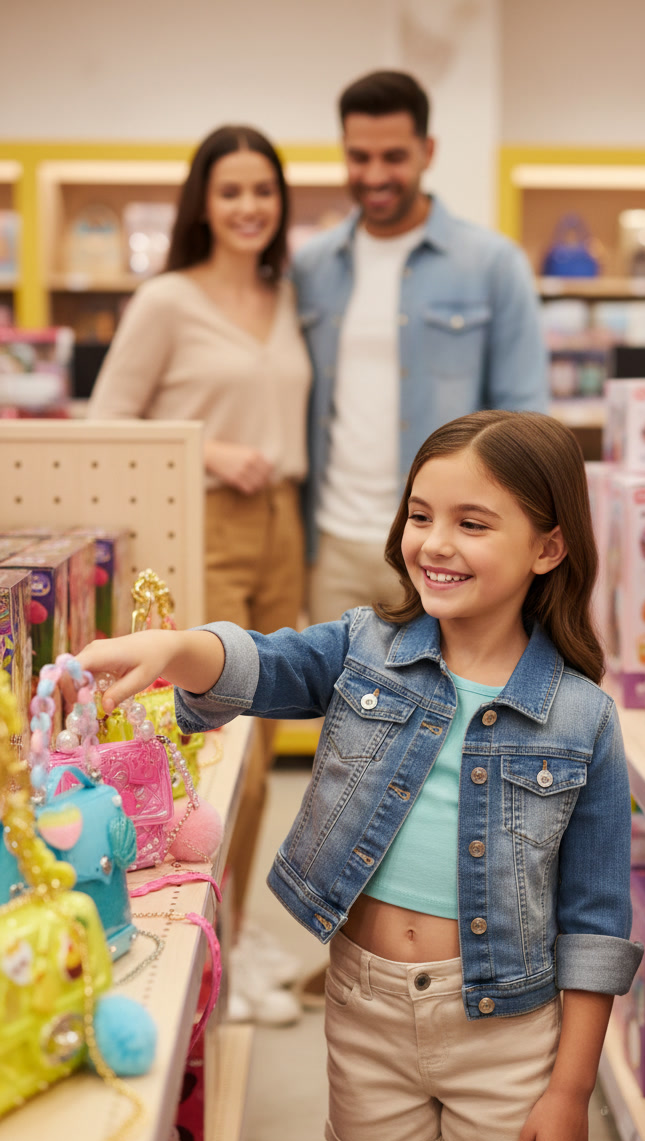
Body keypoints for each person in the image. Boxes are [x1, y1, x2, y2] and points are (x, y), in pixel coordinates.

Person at [73, 409, 642, 1141]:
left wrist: (567, 1091)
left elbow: (596, 921)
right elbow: (266, 664)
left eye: (471, 523)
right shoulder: (366, 649)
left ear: (549, 547)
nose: (434, 543)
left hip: (508, 1033)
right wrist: (175, 644)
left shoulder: (583, 717)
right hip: (367, 1014)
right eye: (420, 515)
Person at [87, 127, 311, 1013]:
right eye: (231, 192)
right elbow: (108, 420)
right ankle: (211, 944)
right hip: (203, 519)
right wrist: (211, 451)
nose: (250, 207)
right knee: (225, 743)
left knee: (275, 727)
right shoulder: (168, 300)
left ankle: (243, 937)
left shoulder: (285, 295)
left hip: (282, 523)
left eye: (264, 190)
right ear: (202, 203)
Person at [292, 69, 549, 626]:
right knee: (332, 709)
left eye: (394, 156)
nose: (375, 174)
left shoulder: (492, 264)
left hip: (446, 550)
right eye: (359, 157)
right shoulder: (311, 267)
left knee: (442, 709)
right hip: (330, 544)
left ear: (427, 151)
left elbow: (527, 418)